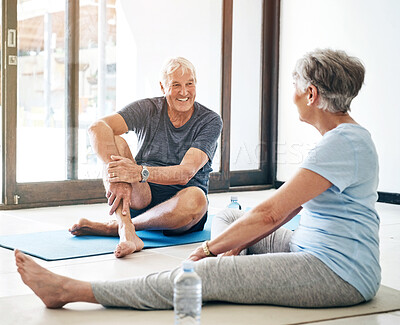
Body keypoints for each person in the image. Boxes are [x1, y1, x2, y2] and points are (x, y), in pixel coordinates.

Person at [15, 49, 380, 309]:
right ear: (164, 86)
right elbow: (286, 210)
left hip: (334, 273)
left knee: (205, 274)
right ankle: (134, 230)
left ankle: (71, 290)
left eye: (296, 86)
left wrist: (209, 251)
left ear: (311, 94)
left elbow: (271, 213)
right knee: (234, 221)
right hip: (314, 250)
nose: (294, 94)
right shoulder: (346, 139)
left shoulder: (337, 146)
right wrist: (231, 242)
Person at [68, 57, 222, 258]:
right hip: (142, 195)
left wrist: (138, 172)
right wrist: (117, 176)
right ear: (162, 87)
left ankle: (116, 228)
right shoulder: (148, 109)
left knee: (197, 199)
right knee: (115, 141)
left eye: (189, 84)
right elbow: (97, 127)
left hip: (183, 207)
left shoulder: (210, 120)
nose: (184, 92)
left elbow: (185, 173)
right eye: (176, 85)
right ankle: (126, 231)